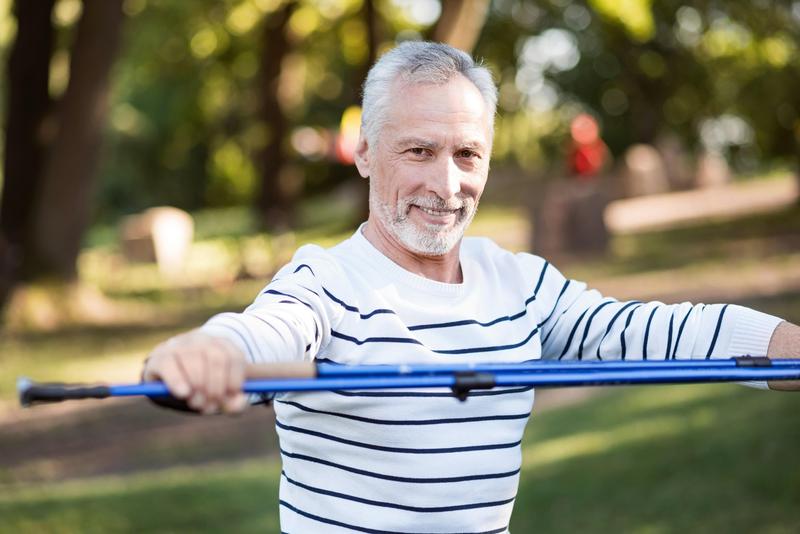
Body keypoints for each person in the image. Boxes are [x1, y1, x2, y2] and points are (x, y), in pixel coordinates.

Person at [142, 41, 800, 533]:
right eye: (419, 152)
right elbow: (264, 332)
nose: (447, 185)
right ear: (367, 152)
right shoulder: (324, 282)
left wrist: (791, 348)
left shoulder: (519, 282)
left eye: (467, 155)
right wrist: (207, 353)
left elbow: (655, 334)